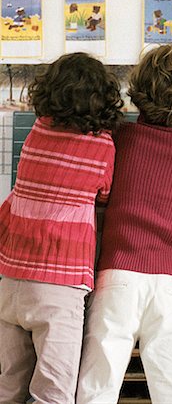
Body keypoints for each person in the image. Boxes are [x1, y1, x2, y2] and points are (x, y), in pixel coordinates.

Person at [77, 44, 172, 404]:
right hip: (170, 281)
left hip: (118, 274)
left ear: (138, 91)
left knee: (99, 381)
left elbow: (102, 193)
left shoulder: (119, 137)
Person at [0, 52, 123, 404]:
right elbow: (105, 195)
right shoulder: (101, 146)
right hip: (59, 285)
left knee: (9, 384)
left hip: (10, 280)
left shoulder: (36, 132)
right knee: (53, 392)